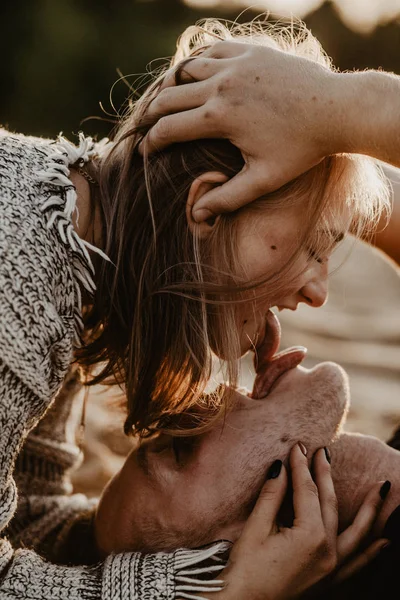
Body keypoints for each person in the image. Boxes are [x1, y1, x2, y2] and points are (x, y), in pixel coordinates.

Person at [0, 17, 390, 599]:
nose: (317, 292)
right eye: (313, 246)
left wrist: (195, 550)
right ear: (206, 206)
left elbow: (26, 512)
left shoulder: (75, 251)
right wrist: (215, 589)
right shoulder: (19, 269)